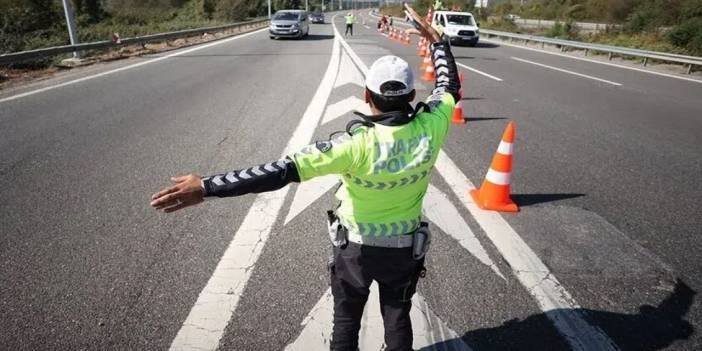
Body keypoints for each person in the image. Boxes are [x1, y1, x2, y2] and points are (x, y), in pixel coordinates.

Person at [149, 4, 460, 350]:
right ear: (412, 96)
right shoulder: (433, 126)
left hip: (354, 251)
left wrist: (206, 186)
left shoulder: (350, 146)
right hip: (404, 249)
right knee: (398, 317)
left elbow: (276, 172)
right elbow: (449, 85)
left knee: (346, 322)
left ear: (366, 96)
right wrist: (437, 43)